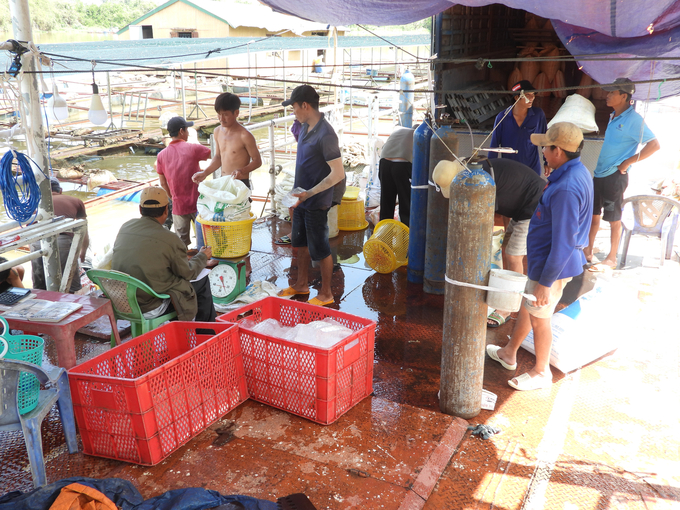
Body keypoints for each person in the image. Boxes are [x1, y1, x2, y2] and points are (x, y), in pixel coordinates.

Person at [486, 122, 593, 391]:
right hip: (542, 264)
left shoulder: (566, 188)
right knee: (530, 306)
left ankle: (541, 372)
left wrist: (546, 283)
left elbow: (564, 242)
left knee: (540, 318)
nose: (543, 151)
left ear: (558, 151)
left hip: (551, 266)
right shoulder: (575, 172)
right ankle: (509, 352)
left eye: (546, 146)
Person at [276, 85, 344, 307]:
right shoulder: (304, 128)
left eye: (295, 107)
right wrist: (297, 195)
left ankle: (326, 293)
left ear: (305, 105)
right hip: (301, 198)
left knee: (320, 247)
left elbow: (338, 174)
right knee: (300, 243)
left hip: (315, 200)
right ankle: (301, 284)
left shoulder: (326, 134)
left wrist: (311, 193)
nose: (293, 112)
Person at [584, 78, 660, 270]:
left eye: (612, 92)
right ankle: (587, 251)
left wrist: (627, 162)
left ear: (624, 96)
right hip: (600, 173)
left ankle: (611, 258)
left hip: (614, 177)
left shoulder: (634, 120)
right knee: (593, 215)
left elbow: (654, 145)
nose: (607, 95)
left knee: (613, 218)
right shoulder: (613, 116)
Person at [111, 187, 216, 322]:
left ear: (140, 209)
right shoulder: (170, 238)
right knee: (201, 282)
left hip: (122, 302)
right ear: (167, 210)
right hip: (150, 307)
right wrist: (203, 256)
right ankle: (207, 333)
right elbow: (188, 273)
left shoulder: (126, 226)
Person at [481, 158, 545, 327]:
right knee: (506, 248)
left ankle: (508, 307)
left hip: (532, 206)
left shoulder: (480, 181)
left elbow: (483, 218)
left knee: (513, 255)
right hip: (521, 205)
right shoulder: (478, 172)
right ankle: (504, 291)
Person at [157, 116, 212, 246]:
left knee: (181, 245)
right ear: (181, 131)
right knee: (205, 240)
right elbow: (216, 155)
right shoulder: (193, 148)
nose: (188, 133)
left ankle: (184, 264)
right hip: (199, 203)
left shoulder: (161, 155)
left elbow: (163, 183)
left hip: (178, 206)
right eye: (187, 130)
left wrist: (173, 197)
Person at [192, 93, 262, 188]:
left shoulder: (245, 135)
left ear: (236, 113)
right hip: (223, 179)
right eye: (219, 114)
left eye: (225, 114)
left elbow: (257, 161)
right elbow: (218, 157)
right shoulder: (217, 131)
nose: (221, 118)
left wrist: (242, 171)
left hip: (239, 182)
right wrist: (205, 173)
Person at [31, 177, 89, 293]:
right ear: (60, 190)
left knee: (40, 286)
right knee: (71, 285)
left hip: (37, 241)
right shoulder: (76, 201)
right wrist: (83, 251)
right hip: (63, 241)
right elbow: (84, 230)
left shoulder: (33, 203)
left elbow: (29, 230)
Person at [489, 80, 547, 177]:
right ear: (517, 97)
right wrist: (490, 170)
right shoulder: (502, 117)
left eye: (533, 94)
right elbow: (494, 146)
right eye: (528, 95)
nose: (532, 98)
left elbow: (545, 140)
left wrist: (547, 162)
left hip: (532, 171)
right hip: (509, 172)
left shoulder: (538, 115)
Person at [379, 127, 415, 226]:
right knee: (405, 203)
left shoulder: (399, 131)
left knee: (386, 202)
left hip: (384, 163)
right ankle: (406, 236)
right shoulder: (419, 135)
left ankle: (383, 235)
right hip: (402, 165)